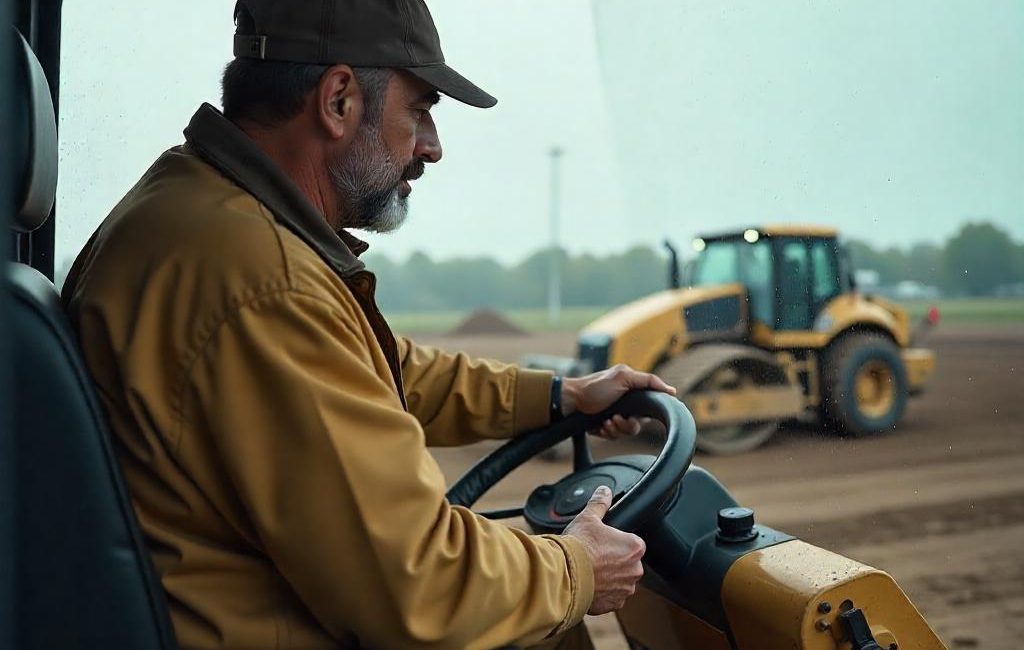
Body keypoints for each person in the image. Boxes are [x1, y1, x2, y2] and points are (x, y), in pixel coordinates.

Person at [62, 2, 675, 648]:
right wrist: (577, 567)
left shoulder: (197, 214)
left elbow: (373, 368)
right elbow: (422, 587)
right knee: (549, 627)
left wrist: (559, 396)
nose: (433, 147)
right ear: (338, 100)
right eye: (420, 110)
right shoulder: (264, 284)